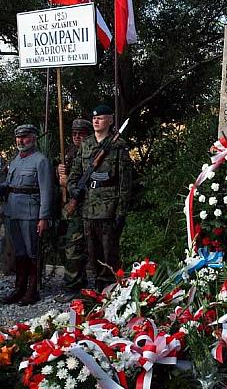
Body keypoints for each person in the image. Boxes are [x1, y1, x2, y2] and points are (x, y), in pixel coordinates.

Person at [68, 104, 132, 291]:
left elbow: (125, 184)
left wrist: (121, 212)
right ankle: (97, 289)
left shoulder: (118, 146)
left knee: (109, 253)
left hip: (108, 209)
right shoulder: (86, 144)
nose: (96, 121)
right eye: (94, 118)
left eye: (101, 118)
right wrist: (74, 190)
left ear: (111, 121)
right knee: (92, 252)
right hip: (88, 207)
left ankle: (112, 290)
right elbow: (75, 173)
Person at [0, 125, 53, 305]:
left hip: (31, 212)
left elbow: (46, 191)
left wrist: (43, 217)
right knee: (20, 252)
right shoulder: (15, 161)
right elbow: (9, 184)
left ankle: (32, 290)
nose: (21, 141)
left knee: (32, 252)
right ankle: (19, 287)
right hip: (12, 211)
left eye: (25, 137)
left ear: (34, 137)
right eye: (18, 137)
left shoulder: (41, 161)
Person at [55, 118, 93, 302]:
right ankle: (73, 279)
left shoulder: (91, 151)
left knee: (75, 247)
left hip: (80, 206)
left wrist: (67, 181)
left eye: (81, 133)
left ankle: (75, 285)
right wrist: (59, 172)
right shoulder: (69, 151)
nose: (77, 137)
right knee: (62, 244)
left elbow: (87, 181)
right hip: (65, 206)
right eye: (74, 133)